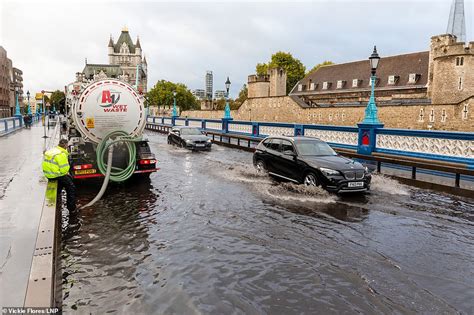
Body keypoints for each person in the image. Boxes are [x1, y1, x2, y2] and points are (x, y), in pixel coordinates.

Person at [42, 139, 76, 212]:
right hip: (55, 175)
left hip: (48, 174)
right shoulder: (61, 154)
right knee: (71, 187)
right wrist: (68, 173)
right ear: (66, 145)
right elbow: (64, 170)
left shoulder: (54, 150)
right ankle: (72, 208)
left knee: (61, 183)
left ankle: (58, 195)